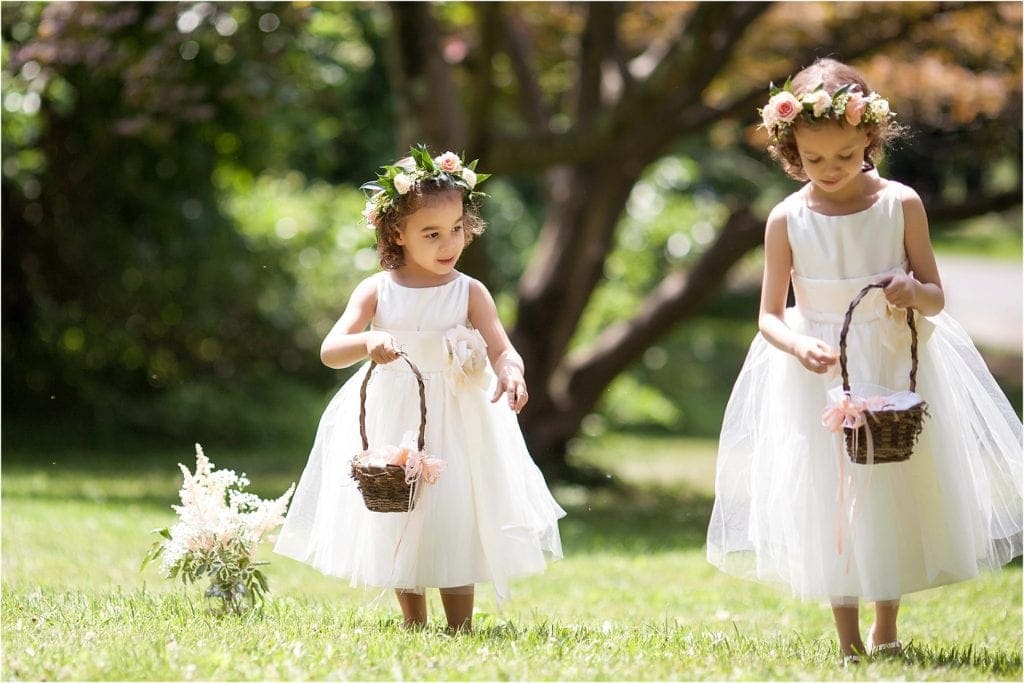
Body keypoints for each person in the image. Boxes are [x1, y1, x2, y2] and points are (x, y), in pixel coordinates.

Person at [705, 58, 1022, 664]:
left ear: (869, 138)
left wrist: (911, 292)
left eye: (845, 156)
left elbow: (935, 293)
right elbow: (771, 313)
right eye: (815, 159)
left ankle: (886, 624)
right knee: (834, 491)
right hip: (820, 372)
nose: (831, 170)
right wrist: (798, 343)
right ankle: (846, 635)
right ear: (789, 146)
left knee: (892, 485)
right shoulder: (787, 219)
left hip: (892, 356)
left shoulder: (900, 204)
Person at [275, 145, 565, 632]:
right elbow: (331, 350)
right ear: (397, 233)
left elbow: (501, 347)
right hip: (396, 411)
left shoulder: (469, 290)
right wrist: (368, 340)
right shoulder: (377, 289)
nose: (448, 243)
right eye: (431, 233)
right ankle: (413, 620)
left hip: (457, 413)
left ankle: (461, 623)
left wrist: (511, 371)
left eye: (456, 229)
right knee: (402, 514)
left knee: (455, 512)